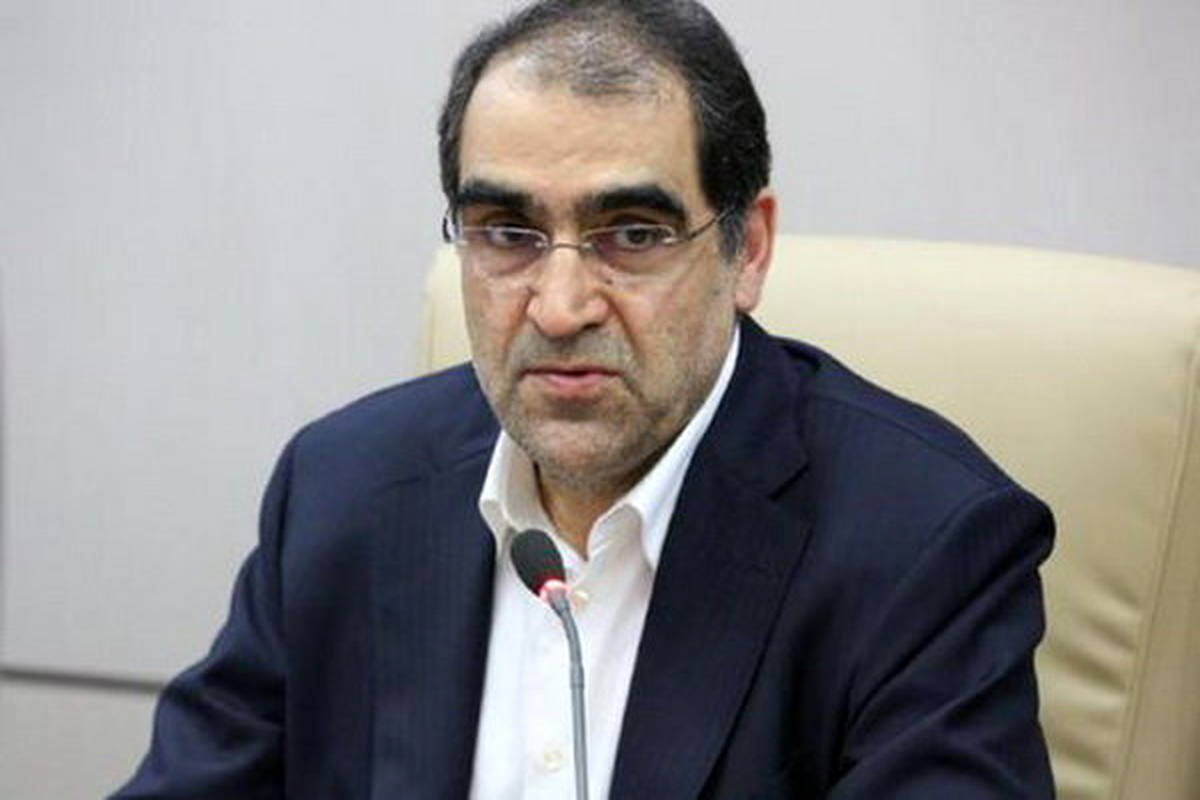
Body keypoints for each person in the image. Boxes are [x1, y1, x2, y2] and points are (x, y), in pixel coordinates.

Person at [115, 1, 1056, 797]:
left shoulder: (925, 548)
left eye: (633, 235)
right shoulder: (341, 492)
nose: (560, 307)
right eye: (507, 232)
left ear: (749, 250)